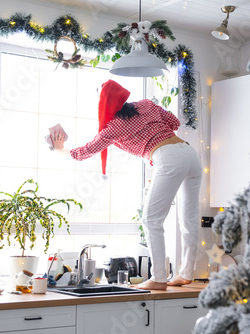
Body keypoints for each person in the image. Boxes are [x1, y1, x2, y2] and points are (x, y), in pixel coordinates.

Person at [51, 79, 202, 290]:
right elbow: (174, 122)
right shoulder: (146, 105)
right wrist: (152, 129)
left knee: (151, 219)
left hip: (168, 157)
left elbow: (82, 152)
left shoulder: (114, 127)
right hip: (190, 154)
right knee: (189, 220)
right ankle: (186, 274)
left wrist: (59, 149)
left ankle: (159, 278)